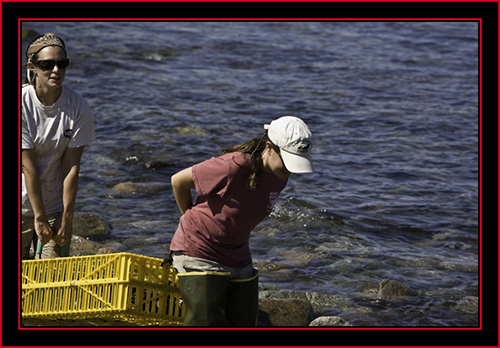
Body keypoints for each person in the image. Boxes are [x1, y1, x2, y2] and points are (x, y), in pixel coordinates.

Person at [169, 116, 313, 326]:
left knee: (245, 322)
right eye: (287, 160)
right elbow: (178, 181)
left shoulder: (280, 174)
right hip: (200, 250)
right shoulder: (231, 166)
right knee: (206, 323)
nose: (290, 169)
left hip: (238, 255)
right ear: (269, 147)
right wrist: (188, 217)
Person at [21, 33, 96, 259]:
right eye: (47, 64)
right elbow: (28, 167)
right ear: (32, 67)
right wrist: (39, 217)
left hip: (55, 206)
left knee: (53, 276)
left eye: (61, 64)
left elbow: (71, 166)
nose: (56, 70)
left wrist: (66, 218)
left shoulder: (78, 107)